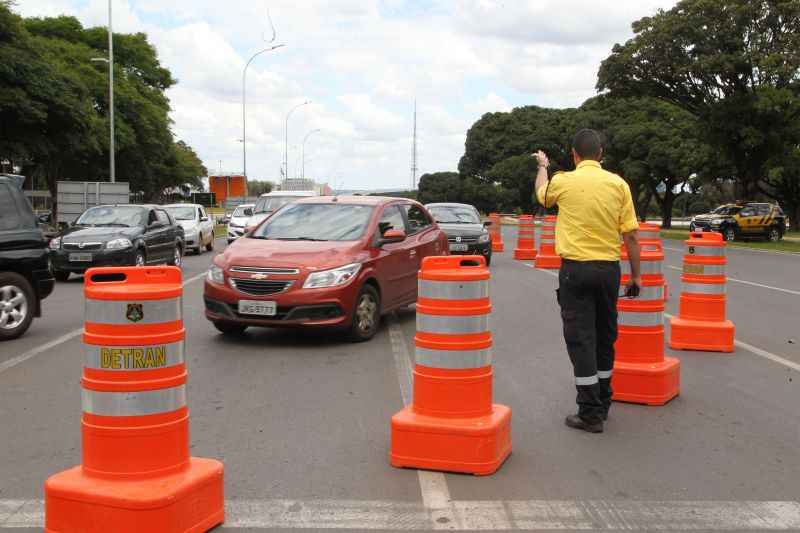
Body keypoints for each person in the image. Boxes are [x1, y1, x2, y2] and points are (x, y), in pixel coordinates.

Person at [533, 129, 642, 433]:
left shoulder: (564, 181)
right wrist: (636, 276)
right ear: (601, 154)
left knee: (581, 340)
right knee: (605, 337)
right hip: (608, 271)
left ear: (574, 155)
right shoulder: (619, 184)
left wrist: (543, 166)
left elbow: (541, 194)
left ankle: (590, 412)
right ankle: (604, 401)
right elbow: (631, 235)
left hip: (575, 271)